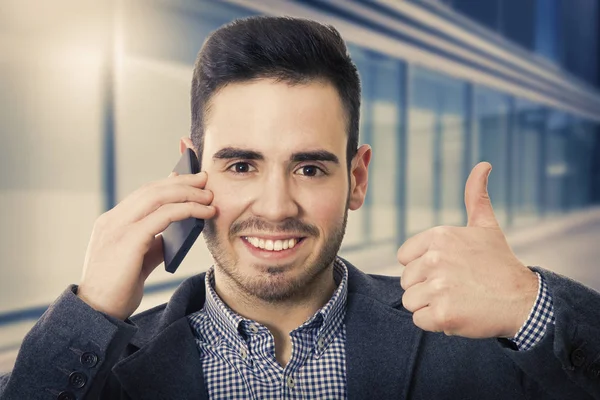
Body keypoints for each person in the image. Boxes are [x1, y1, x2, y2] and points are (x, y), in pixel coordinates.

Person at [1, 16, 599, 400]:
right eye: (241, 165)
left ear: (357, 178)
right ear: (189, 171)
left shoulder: (473, 337)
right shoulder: (99, 366)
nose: (276, 205)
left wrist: (528, 303)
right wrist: (90, 312)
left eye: (310, 167)